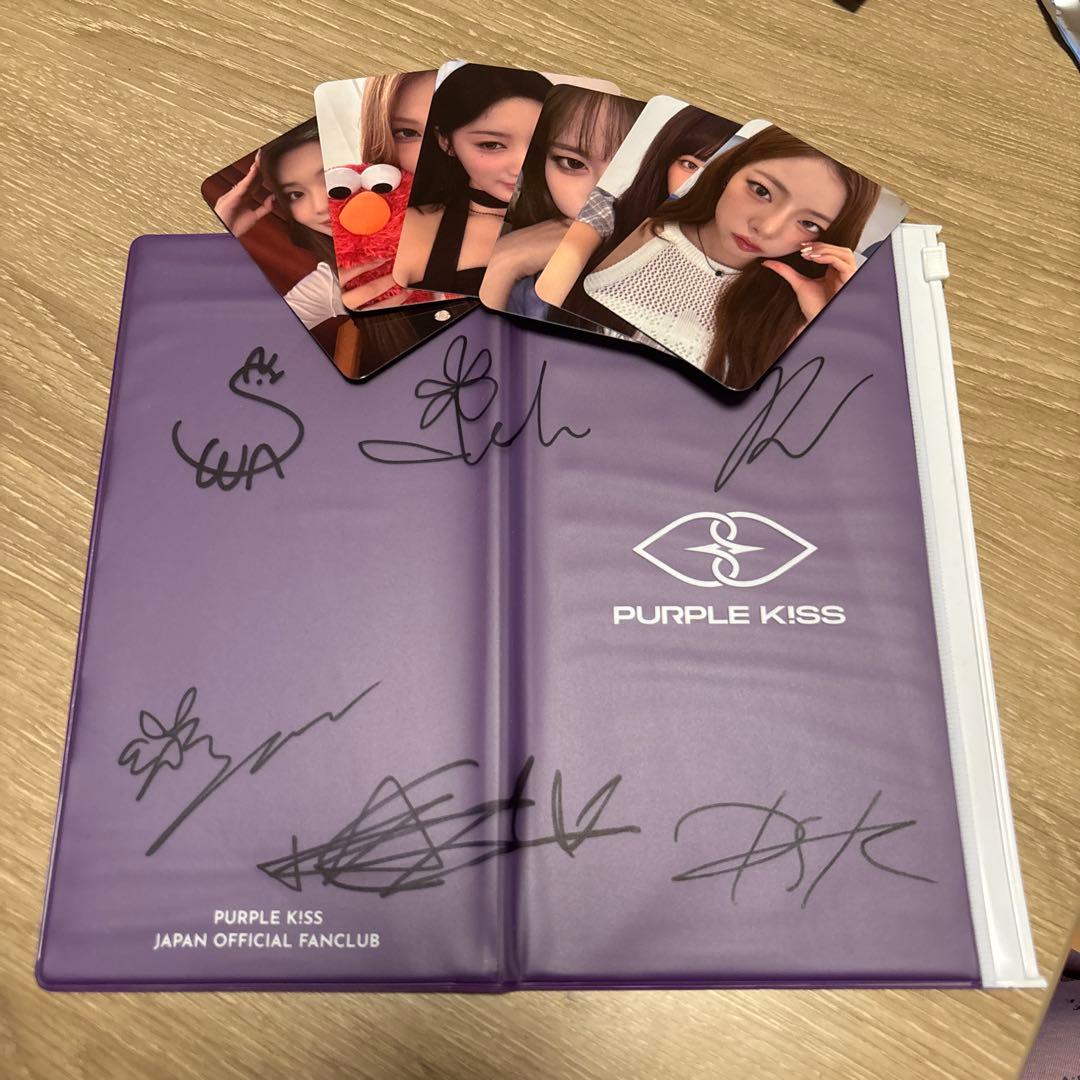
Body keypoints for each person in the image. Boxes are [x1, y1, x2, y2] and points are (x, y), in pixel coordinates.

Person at [581, 125, 881, 386]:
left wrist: (820, 327)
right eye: (761, 191)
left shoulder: (791, 310)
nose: (767, 228)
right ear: (730, 171)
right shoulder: (625, 225)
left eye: (809, 224)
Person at [534, 104, 739, 330]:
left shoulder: (737, 250)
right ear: (666, 161)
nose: (696, 183)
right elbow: (569, 257)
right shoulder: (607, 210)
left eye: (715, 173)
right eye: (689, 165)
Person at [214, 120, 408, 328]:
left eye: (330, 178)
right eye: (295, 194)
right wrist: (224, 232)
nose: (320, 206)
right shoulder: (335, 283)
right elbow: (248, 337)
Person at [479, 85, 643, 316]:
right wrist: (502, 265)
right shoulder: (527, 274)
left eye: (634, 170)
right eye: (573, 163)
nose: (596, 200)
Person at [392, 64, 552, 295]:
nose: (521, 166)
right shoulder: (410, 229)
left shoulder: (582, 225)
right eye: (491, 145)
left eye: (537, 143)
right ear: (446, 142)